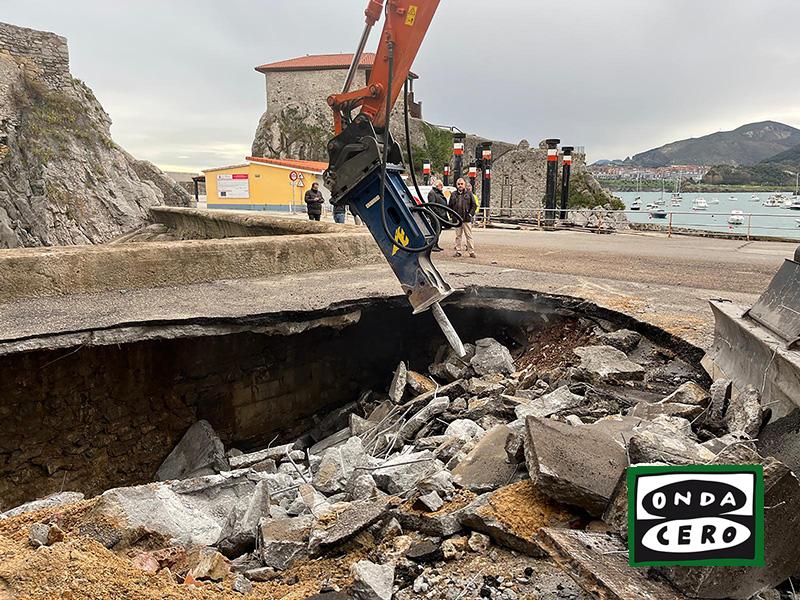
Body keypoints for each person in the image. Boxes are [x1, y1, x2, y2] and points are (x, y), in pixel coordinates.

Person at [448, 177, 477, 258]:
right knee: (458, 236)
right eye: (458, 184)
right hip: (457, 219)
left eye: (461, 184)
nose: (460, 185)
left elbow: (474, 205)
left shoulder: (469, 194)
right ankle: (458, 251)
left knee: (469, 236)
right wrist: (452, 215)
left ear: (464, 184)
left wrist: (470, 214)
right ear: (456, 185)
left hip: (466, 219)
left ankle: (471, 251)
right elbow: (450, 206)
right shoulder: (453, 194)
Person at [426, 179, 447, 251]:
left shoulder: (438, 193)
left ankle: (436, 244)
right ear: (437, 185)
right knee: (435, 230)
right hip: (435, 216)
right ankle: (432, 245)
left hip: (440, 216)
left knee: (438, 230)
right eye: (441, 185)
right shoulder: (432, 193)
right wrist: (438, 213)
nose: (442, 187)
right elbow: (432, 205)